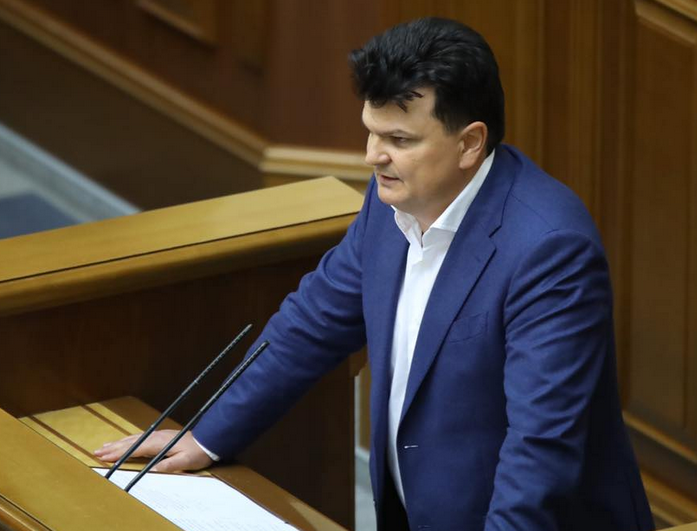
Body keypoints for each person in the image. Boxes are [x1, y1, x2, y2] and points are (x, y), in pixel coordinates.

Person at [96, 17, 655, 531]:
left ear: (470, 143)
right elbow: (312, 323)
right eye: (371, 131)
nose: (372, 156)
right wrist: (208, 436)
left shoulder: (549, 250)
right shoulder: (392, 201)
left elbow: (540, 450)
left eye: (399, 140)